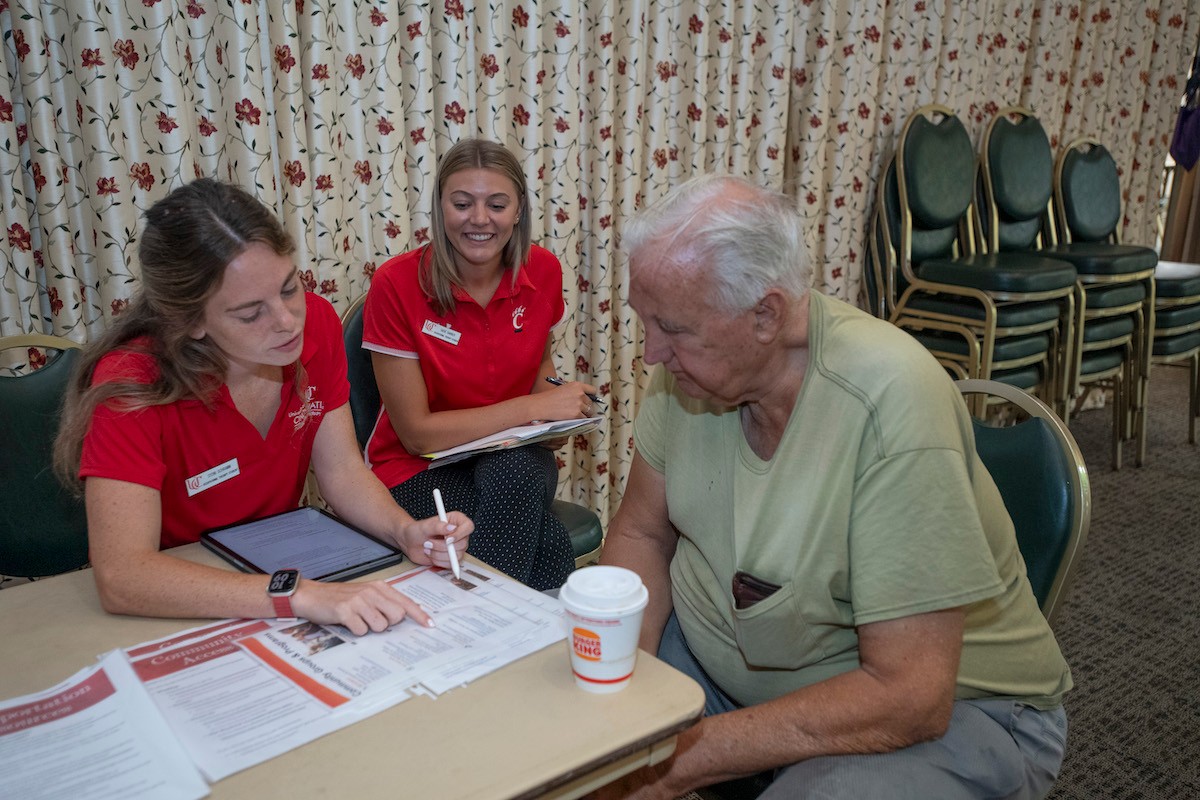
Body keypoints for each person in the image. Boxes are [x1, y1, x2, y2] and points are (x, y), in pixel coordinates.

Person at [592, 175, 1072, 799]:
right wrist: (629, 699)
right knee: (550, 687)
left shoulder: (889, 401)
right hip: (730, 667)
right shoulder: (694, 377)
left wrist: (673, 763)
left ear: (765, 314)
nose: (652, 352)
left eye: (672, 328)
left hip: (954, 712)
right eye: (645, 322)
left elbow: (909, 695)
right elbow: (641, 532)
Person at [53, 178, 472, 635]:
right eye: (251, 313)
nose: (287, 322)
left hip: (278, 565)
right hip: (183, 595)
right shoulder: (131, 384)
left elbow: (342, 472)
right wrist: (297, 594)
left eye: (289, 288)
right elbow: (124, 578)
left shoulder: (316, 327)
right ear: (189, 321)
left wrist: (403, 531)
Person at [361, 139, 595, 591]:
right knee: (540, 531)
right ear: (440, 206)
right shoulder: (396, 284)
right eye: (463, 203)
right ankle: (514, 627)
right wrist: (534, 409)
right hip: (419, 469)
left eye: (497, 204)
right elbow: (417, 434)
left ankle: (475, 624)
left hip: (512, 455)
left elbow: (539, 365)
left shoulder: (543, 269)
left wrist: (560, 401)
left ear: (519, 210)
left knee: (519, 473)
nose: (480, 220)